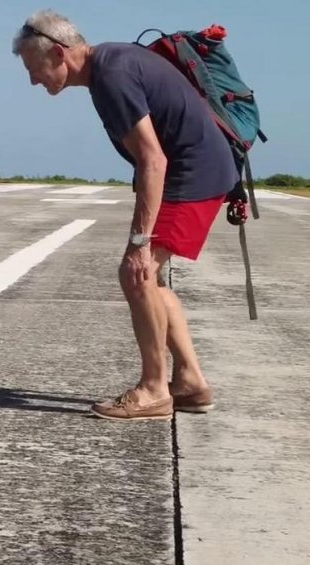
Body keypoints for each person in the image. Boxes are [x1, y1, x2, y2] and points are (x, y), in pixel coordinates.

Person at [12, 10, 237, 421]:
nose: (33, 80)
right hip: (199, 171)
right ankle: (189, 381)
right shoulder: (113, 62)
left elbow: (153, 160)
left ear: (59, 54)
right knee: (145, 279)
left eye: (34, 68)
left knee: (136, 272)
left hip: (192, 175)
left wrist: (139, 242)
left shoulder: (111, 76)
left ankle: (154, 389)